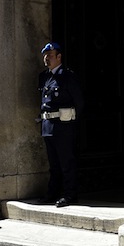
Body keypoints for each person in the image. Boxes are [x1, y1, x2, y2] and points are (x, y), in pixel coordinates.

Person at [38, 42, 84, 208]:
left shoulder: (68, 76)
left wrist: (71, 122)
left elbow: (79, 102)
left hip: (64, 126)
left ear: (59, 57)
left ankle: (70, 194)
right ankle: (52, 193)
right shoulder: (44, 77)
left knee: (66, 162)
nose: (46, 58)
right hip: (47, 126)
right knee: (54, 164)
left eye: (50, 55)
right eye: (45, 55)